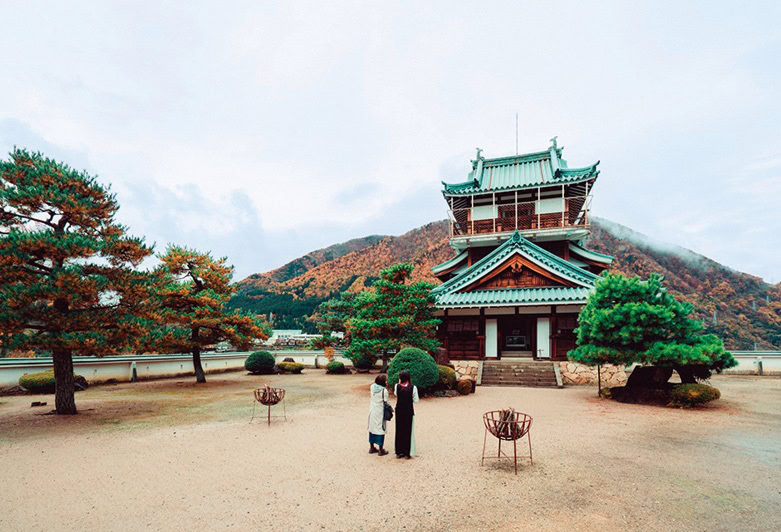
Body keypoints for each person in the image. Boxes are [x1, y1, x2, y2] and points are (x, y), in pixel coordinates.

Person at [394, 370, 419, 459]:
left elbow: (396, 394)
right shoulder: (413, 388)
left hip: (399, 410)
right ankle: (406, 452)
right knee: (408, 430)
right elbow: (416, 400)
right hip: (408, 410)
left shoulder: (397, 386)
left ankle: (398, 451)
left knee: (399, 430)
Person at [368, 374, 389, 456]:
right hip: (380, 411)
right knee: (381, 428)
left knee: (372, 428)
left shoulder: (372, 387)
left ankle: (371, 447)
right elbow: (386, 401)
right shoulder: (384, 391)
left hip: (372, 410)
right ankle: (381, 449)